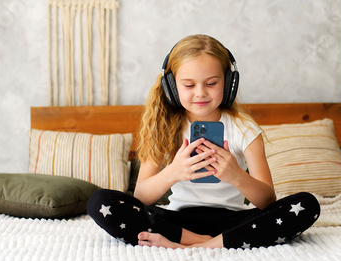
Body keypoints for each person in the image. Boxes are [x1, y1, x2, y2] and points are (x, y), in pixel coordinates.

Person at [87, 34, 320, 249]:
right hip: (178, 221)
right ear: (172, 87)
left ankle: (201, 245)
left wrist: (236, 175)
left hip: (233, 220)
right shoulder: (164, 128)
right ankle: (208, 243)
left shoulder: (245, 130)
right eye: (189, 85)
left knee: (307, 205)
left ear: (229, 83)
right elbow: (141, 197)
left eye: (211, 83)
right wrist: (175, 172)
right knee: (100, 202)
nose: (200, 93)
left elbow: (267, 202)